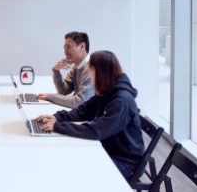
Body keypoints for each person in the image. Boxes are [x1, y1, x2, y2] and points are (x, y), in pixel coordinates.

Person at [36, 50, 145, 181]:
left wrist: (57, 127)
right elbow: (84, 110)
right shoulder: (107, 91)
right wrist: (58, 117)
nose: (88, 73)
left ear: (101, 72)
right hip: (109, 149)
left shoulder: (121, 101)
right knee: (70, 161)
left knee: (76, 172)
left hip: (125, 162)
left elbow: (97, 131)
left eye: (91, 69)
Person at [37, 31, 94, 108]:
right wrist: (56, 70)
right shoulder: (76, 66)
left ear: (82, 47)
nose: (65, 52)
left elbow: (79, 102)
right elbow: (63, 91)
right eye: (64, 48)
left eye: (68, 47)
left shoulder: (91, 68)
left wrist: (50, 97)